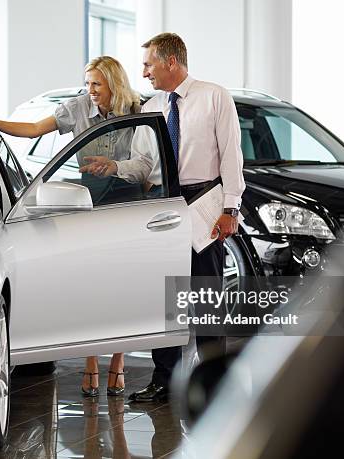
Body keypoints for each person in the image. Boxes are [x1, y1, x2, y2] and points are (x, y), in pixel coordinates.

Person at [80, 33, 245, 402]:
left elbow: (232, 155)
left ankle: (215, 380)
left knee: (205, 296)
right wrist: (115, 166)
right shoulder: (153, 106)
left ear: (171, 61)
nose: (144, 71)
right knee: (164, 300)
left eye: (149, 63)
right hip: (162, 206)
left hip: (204, 203)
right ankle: (165, 380)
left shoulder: (213, 96)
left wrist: (230, 207)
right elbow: (143, 163)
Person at [0, 56, 140, 398]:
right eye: (87, 83)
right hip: (89, 199)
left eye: (96, 84)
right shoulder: (76, 107)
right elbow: (31, 130)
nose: (90, 91)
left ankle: (118, 363)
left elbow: (146, 162)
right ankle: (91, 362)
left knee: (125, 283)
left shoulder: (137, 109)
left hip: (128, 198)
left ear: (114, 85)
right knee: (94, 283)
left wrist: (118, 166)